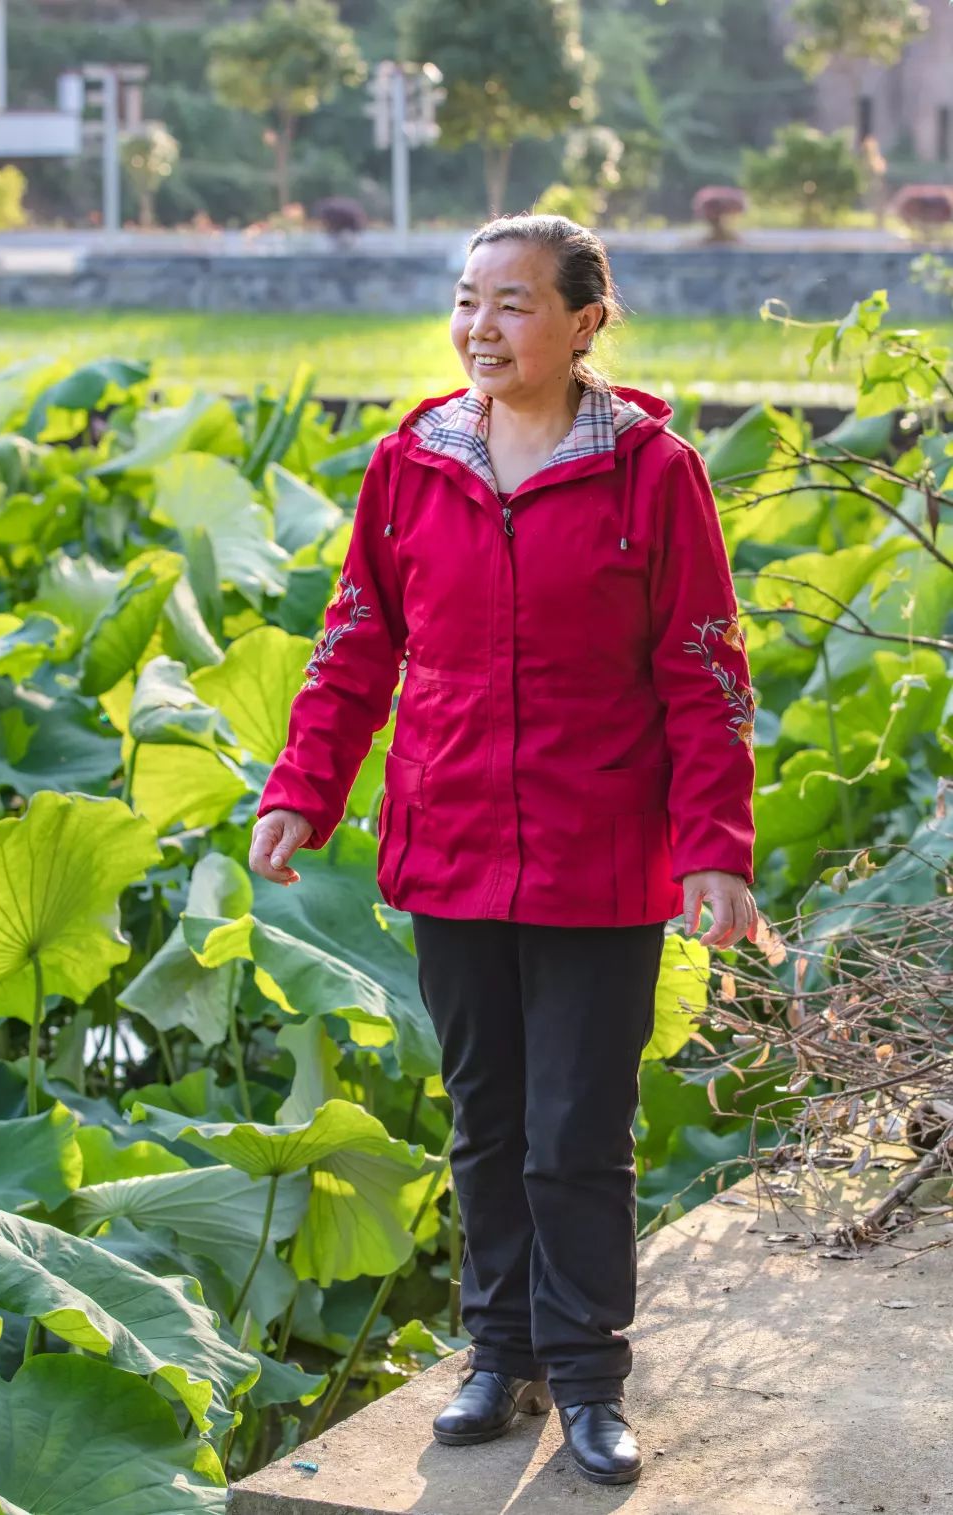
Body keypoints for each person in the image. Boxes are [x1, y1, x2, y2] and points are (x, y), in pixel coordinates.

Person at [249, 212, 758, 1487]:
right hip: (454, 837)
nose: (480, 327)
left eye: (513, 303)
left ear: (585, 322)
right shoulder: (410, 463)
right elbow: (357, 642)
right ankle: (500, 1354)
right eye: (468, 300)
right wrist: (305, 789)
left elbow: (705, 673)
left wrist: (715, 847)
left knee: (576, 1127)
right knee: (484, 1118)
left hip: (602, 853)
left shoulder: (654, 472)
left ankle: (587, 1378)